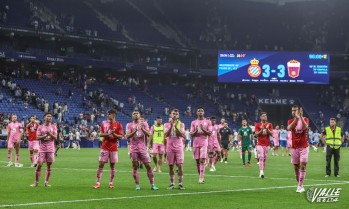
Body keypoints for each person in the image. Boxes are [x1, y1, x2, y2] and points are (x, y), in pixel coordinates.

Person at [126, 110, 158, 190]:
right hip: (133, 148)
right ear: (132, 116)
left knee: (148, 166)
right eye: (134, 113)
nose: (135, 114)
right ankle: (137, 185)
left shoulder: (144, 124)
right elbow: (127, 136)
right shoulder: (129, 125)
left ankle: (152, 184)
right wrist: (135, 130)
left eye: (137, 113)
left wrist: (142, 129)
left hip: (143, 148)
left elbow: (149, 134)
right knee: (135, 166)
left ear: (139, 115)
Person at [92, 109, 123, 189]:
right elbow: (101, 134)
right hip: (105, 147)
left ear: (113, 115)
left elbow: (120, 136)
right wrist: (108, 133)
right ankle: (98, 183)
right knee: (101, 163)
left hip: (113, 148)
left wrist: (114, 134)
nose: (107, 115)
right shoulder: (104, 123)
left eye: (109, 114)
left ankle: (111, 183)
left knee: (112, 165)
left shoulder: (118, 125)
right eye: (107, 114)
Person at [31, 112, 57, 187]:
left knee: (49, 165)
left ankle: (46, 182)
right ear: (44, 118)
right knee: (39, 164)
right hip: (42, 148)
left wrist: (50, 134)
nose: (50, 118)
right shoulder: (40, 127)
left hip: (50, 148)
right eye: (48, 116)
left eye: (51, 116)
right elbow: (37, 137)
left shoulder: (53, 127)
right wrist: (45, 135)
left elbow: (55, 137)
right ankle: (36, 183)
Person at [287, 105, 309, 193]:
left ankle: (299, 186)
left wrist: (300, 117)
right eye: (292, 110)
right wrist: (296, 119)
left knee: (303, 164)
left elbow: (305, 127)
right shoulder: (290, 121)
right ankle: (301, 184)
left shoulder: (305, 119)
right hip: (295, 147)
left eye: (295, 110)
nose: (293, 112)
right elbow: (289, 128)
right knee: (296, 167)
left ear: (299, 111)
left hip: (304, 147)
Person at [164, 109, 185, 190]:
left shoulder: (181, 124)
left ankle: (180, 183)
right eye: (173, 114)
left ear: (178, 116)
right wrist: (171, 125)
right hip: (170, 147)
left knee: (180, 165)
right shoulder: (166, 124)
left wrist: (175, 126)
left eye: (176, 114)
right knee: (171, 166)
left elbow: (181, 135)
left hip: (179, 147)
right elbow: (166, 134)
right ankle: (172, 183)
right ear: (170, 115)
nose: (175, 115)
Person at [190, 107, 212, 184]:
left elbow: (209, 133)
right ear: (197, 112)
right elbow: (191, 134)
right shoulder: (193, 122)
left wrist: (202, 129)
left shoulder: (208, 122)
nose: (200, 112)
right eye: (199, 111)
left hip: (204, 143)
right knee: (197, 161)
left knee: (202, 160)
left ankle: (201, 177)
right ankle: (201, 175)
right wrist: (196, 130)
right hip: (195, 143)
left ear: (204, 112)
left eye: (201, 111)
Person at [255, 112, 273, 178]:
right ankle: (261, 171)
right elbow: (256, 134)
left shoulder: (269, 124)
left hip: (267, 144)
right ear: (260, 117)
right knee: (261, 157)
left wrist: (267, 129)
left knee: (265, 158)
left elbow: (272, 134)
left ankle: (262, 171)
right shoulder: (257, 125)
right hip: (260, 144)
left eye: (265, 116)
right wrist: (262, 129)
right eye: (263, 116)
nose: (265, 117)